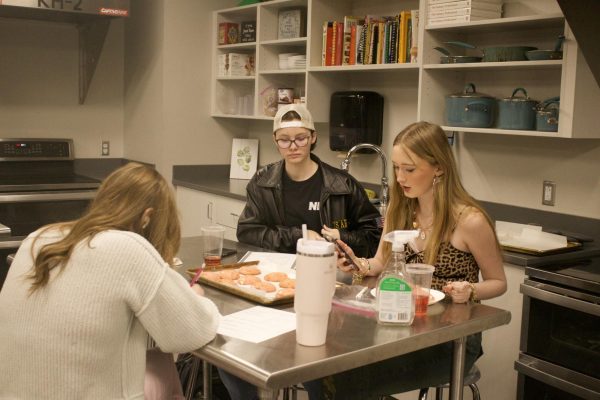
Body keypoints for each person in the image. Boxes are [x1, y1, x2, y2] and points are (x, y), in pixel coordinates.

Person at [317, 121, 507, 399]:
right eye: (396, 167)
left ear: (439, 167)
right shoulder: (400, 207)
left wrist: (471, 290)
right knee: (328, 360)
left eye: (410, 169)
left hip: (451, 339)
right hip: (403, 325)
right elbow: (380, 262)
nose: (400, 177)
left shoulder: (470, 221)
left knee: (349, 376)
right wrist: (359, 264)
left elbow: (499, 282)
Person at [0, 163, 221, 400]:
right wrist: (197, 297)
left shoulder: (38, 238)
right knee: (162, 368)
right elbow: (192, 333)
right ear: (147, 217)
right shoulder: (128, 248)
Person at [237, 103, 382, 258]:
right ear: (275, 140)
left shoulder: (344, 185)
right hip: (278, 272)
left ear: (313, 137)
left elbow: (374, 239)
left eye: (300, 139)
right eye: (284, 140)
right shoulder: (262, 182)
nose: (293, 147)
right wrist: (299, 236)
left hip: (330, 270)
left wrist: (341, 237)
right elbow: (247, 232)